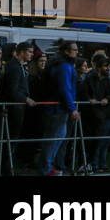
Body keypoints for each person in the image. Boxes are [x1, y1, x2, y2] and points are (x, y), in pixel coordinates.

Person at [39, 40, 80, 176]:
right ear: (67, 51)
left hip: (57, 107)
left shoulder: (59, 64)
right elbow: (65, 88)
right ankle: (47, 167)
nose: (77, 52)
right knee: (54, 137)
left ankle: (48, 166)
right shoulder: (64, 66)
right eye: (74, 50)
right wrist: (72, 108)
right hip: (58, 108)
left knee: (57, 137)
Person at [0, 42, 36, 174]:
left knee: (11, 139)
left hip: (16, 108)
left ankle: (5, 167)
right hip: (13, 109)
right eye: (29, 51)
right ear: (22, 52)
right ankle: (5, 168)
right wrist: (26, 99)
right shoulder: (14, 67)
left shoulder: (18, 66)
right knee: (10, 139)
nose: (32, 54)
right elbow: (12, 90)